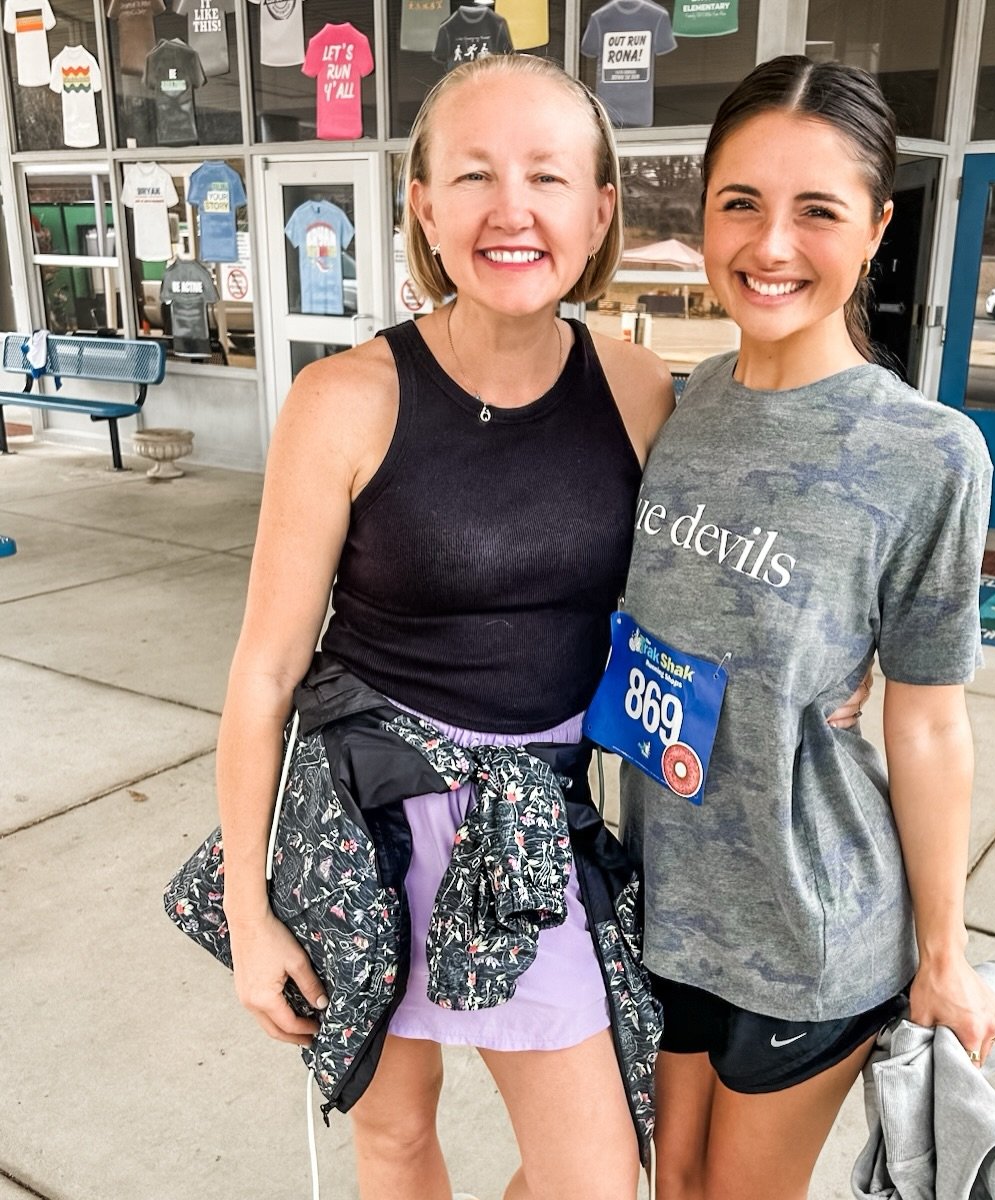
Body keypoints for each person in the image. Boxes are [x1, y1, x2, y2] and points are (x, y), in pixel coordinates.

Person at [214, 53, 676, 1200]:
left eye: (547, 177)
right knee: (395, 1139)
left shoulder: (641, 392)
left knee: (596, 1180)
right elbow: (265, 672)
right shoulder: (344, 399)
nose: (511, 209)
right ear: (423, 205)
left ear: (599, 210)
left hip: (536, 829)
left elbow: (703, 591)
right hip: (364, 823)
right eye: (474, 175)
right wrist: (248, 909)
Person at [615, 55, 995, 1200]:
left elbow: (929, 723)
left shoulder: (929, 454)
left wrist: (946, 953)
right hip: (665, 897)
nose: (771, 244)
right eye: (741, 202)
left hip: (813, 920)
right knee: (668, 1185)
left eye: (818, 211)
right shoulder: (676, 411)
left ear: (876, 229)